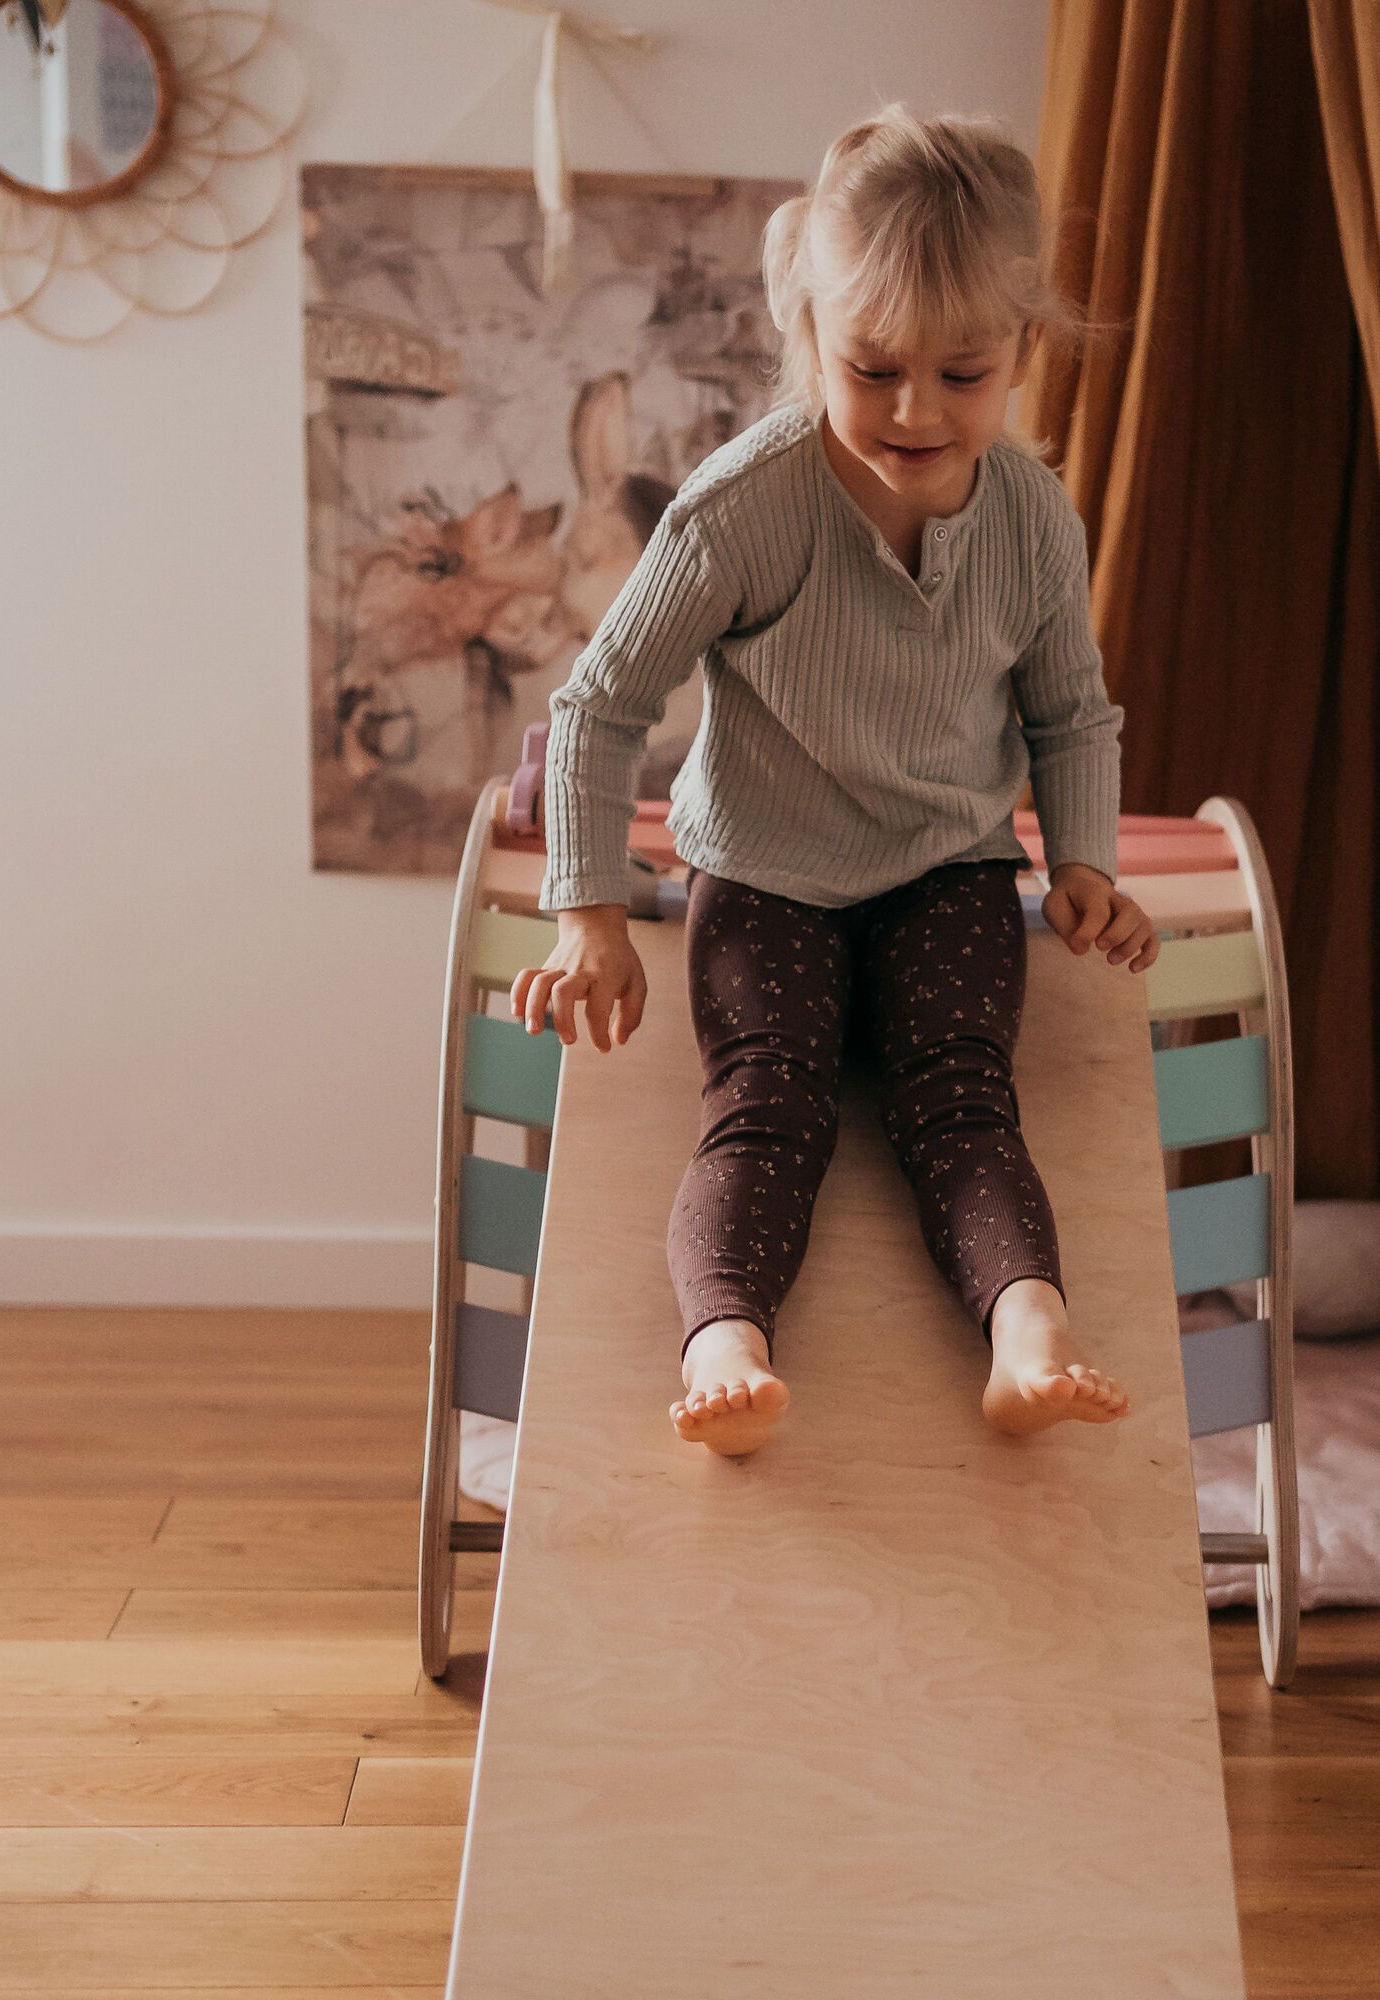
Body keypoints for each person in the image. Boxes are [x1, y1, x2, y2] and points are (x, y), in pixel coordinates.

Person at [509, 104, 1158, 1458]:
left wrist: (1085, 863)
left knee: (966, 1097)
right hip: (769, 879)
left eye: (964, 374)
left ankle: (1027, 1328)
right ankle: (726, 1342)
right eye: (873, 369)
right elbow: (598, 702)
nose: (918, 410)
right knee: (767, 1104)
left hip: (952, 874)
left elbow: (1070, 710)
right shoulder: (745, 507)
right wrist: (590, 917)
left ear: (1022, 356)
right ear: (807, 341)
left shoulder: (1032, 518)